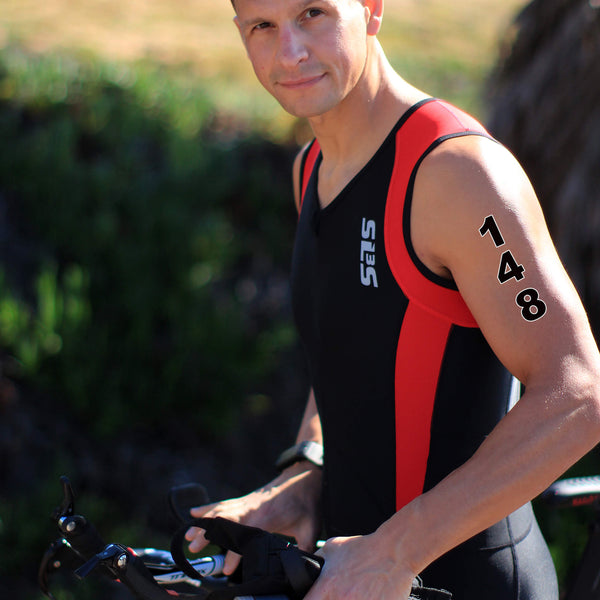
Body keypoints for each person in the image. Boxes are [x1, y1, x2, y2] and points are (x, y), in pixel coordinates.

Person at [186, 1, 600, 598]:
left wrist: (395, 551)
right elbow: (352, 351)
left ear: (372, 9)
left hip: (468, 583)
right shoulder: (312, 169)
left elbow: (578, 394)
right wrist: (306, 472)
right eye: (263, 27)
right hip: (353, 575)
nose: (291, 52)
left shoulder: (457, 174)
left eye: (313, 13)